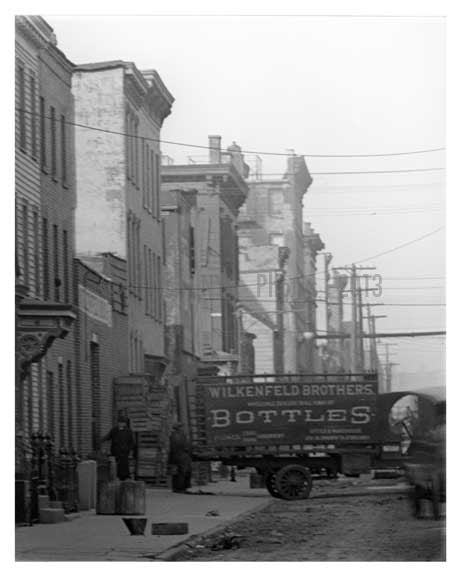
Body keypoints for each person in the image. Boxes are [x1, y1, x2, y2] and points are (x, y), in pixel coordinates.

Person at [101, 415, 135, 480]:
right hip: (115, 451)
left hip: (124, 451)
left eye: (122, 422)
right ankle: (117, 476)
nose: (120, 424)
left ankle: (125, 477)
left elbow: (132, 442)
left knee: (124, 464)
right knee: (117, 465)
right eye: (119, 422)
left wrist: (129, 449)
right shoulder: (114, 430)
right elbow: (108, 436)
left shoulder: (128, 431)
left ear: (125, 423)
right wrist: (102, 440)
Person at [168, 422, 192, 493]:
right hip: (182, 455)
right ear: (179, 427)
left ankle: (176, 488)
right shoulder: (181, 435)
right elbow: (185, 446)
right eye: (181, 427)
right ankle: (181, 488)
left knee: (176, 472)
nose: (183, 428)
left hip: (175, 455)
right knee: (182, 472)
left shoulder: (172, 435)